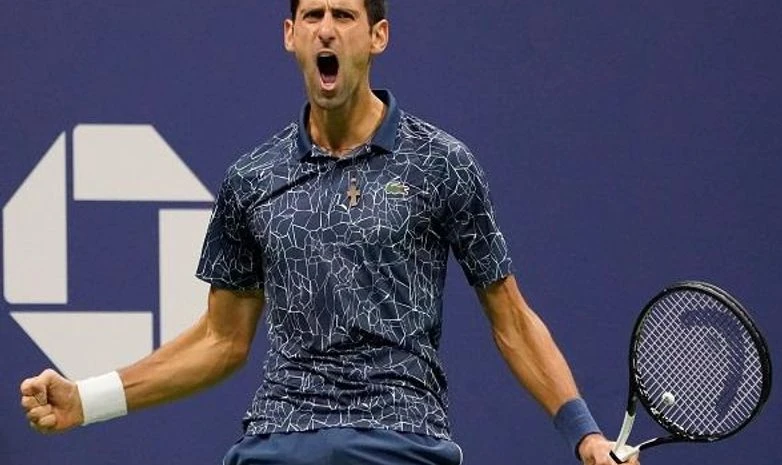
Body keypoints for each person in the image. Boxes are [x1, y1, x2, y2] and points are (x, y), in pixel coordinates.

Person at [20, 1, 640, 464]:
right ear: (290, 36)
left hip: (401, 440)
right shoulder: (252, 179)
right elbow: (220, 339)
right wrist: (87, 399)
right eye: (312, 14)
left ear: (377, 36)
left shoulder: (441, 163)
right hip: (276, 444)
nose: (326, 28)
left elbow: (511, 319)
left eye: (344, 14)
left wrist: (584, 433)